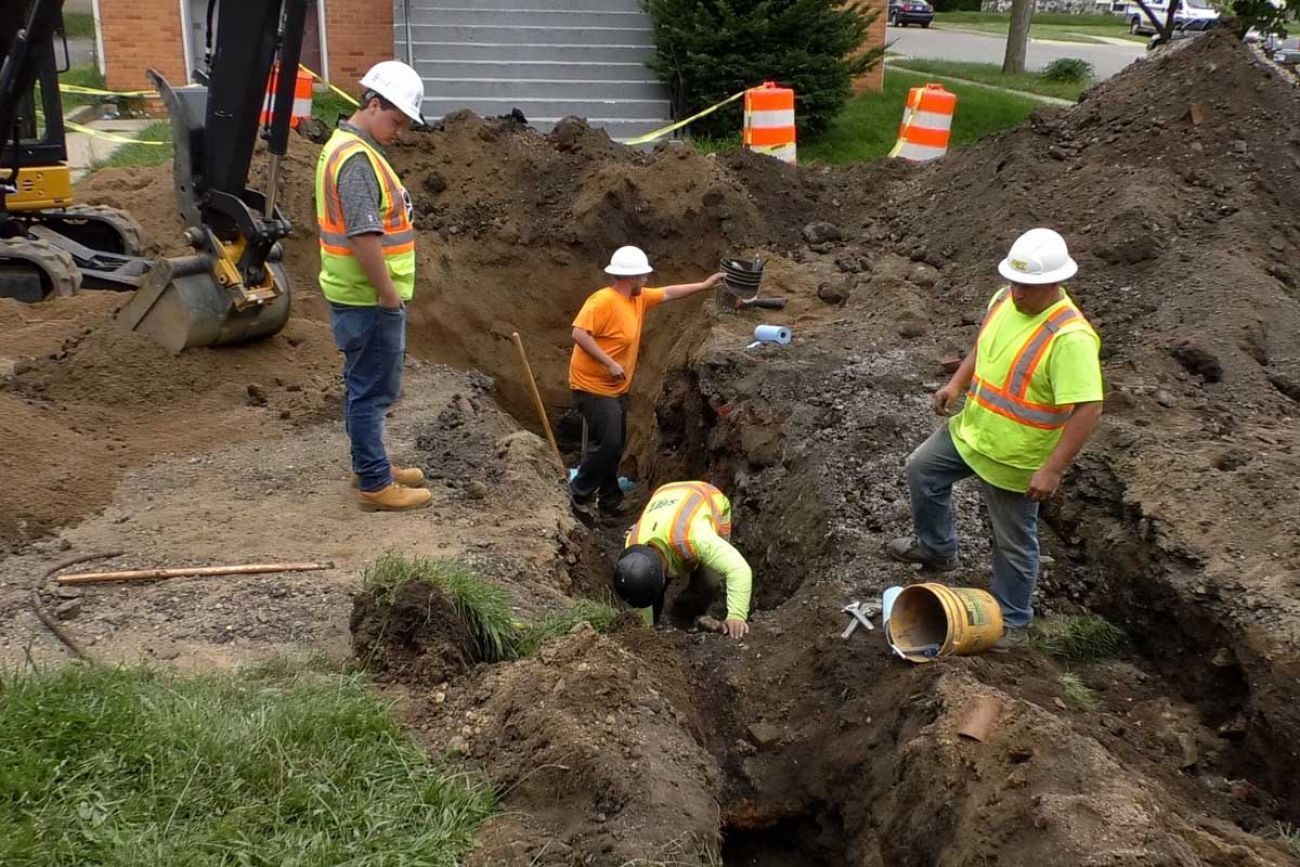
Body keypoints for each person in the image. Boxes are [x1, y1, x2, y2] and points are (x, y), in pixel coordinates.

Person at [887, 228, 1104, 648]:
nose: (1018, 292)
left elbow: (1089, 408)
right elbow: (982, 346)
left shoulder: (1069, 338)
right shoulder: (1004, 299)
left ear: (1056, 282)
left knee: (1013, 542)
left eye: (1028, 285)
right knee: (922, 470)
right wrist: (955, 384)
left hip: (1015, 458)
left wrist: (1053, 469)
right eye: (1015, 281)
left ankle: (1014, 621)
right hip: (972, 432)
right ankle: (937, 549)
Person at [316, 60, 429, 512]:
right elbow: (364, 236)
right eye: (396, 120)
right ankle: (375, 483)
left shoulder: (345, 148)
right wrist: (387, 295)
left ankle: (370, 464)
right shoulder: (357, 161)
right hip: (368, 299)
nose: (398, 132)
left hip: (355, 297)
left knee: (362, 387)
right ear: (373, 103)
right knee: (372, 391)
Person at [568, 247, 725, 516]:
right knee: (608, 445)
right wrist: (609, 362)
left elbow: (668, 292)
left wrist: (703, 285)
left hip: (616, 387)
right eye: (644, 276)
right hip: (592, 387)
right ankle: (577, 495)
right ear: (631, 278)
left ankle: (609, 500)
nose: (647, 281)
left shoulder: (636, 299)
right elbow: (579, 333)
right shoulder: (603, 301)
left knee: (612, 444)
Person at [612, 481, 752, 639]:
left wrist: (736, 616)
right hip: (664, 494)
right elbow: (640, 592)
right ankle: (656, 622)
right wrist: (645, 630)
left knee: (709, 579)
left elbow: (739, 568)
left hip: (706, 496)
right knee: (651, 589)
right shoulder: (632, 543)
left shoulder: (696, 538)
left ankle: (686, 615)